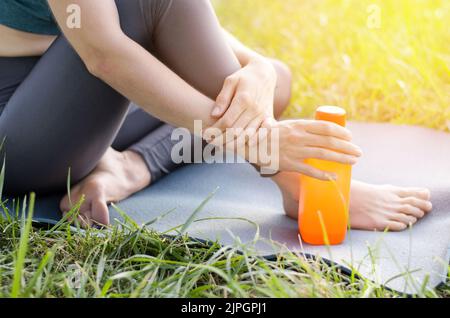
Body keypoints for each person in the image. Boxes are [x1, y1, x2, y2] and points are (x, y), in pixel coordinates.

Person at [0, 0, 432, 230]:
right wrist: (261, 144)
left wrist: (256, 65)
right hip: (19, 132)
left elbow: (178, 19)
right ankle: (293, 180)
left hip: (79, 111)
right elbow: (104, 52)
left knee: (272, 83)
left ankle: (132, 166)